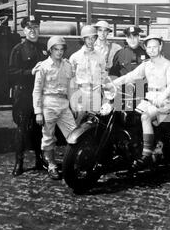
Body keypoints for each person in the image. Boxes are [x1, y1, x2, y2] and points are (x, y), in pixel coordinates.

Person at [110, 34, 170, 172]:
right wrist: (111, 83)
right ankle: (135, 147)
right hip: (149, 99)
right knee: (129, 116)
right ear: (145, 49)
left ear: (160, 46)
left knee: (145, 116)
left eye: (155, 47)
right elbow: (131, 76)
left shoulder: (168, 65)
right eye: (149, 47)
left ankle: (146, 155)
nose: (152, 50)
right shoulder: (146, 64)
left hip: (164, 101)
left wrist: (163, 95)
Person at [33, 36, 77, 180]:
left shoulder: (67, 65)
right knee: (48, 137)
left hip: (64, 104)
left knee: (74, 133)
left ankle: (73, 162)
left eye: (61, 49)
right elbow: (37, 90)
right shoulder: (43, 67)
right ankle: (52, 165)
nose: (59, 52)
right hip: (48, 103)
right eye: (56, 49)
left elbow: (71, 88)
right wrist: (38, 111)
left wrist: (74, 105)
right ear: (50, 50)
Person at [8, 15, 46, 176]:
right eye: (30, 28)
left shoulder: (44, 48)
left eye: (36, 27)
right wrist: (30, 72)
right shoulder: (18, 49)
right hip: (24, 93)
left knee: (39, 128)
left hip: (41, 94)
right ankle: (19, 162)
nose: (33, 31)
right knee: (22, 129)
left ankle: (39, 160)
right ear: (24, 30)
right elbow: (11, 72)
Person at [69, 25, 106, 121]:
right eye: (88, 38)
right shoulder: (75, 57)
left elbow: (103, 75)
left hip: (95, 93)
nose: (90, 41)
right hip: (81, 94)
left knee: (94, 122)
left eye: (93, 38)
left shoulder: (100, 57)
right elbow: (71, 79)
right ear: (83, 39)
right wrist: (73, 101)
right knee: (78, 122)